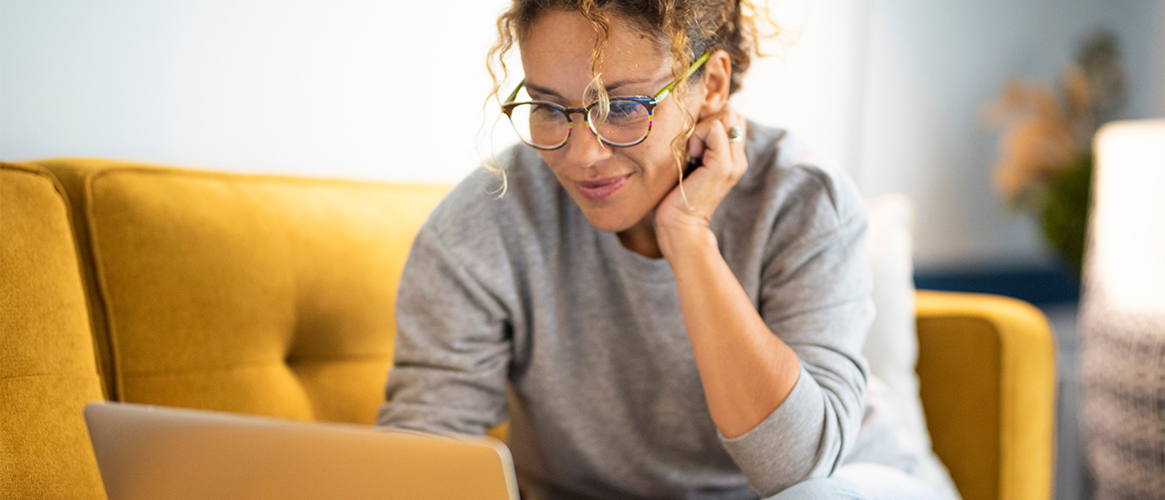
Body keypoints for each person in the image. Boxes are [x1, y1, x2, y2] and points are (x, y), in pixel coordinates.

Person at [378, 1, 950, 499]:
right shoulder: (483, 222)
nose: (582, 155)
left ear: (714, 86)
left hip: (841, 483)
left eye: (624, 107)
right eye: (550, 108)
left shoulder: (803, 201)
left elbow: (797, 469)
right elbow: (424, 457)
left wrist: (689, 237)